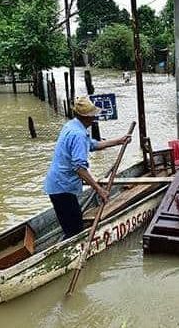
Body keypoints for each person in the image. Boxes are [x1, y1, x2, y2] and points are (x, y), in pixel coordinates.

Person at [44, 96, 131, 239]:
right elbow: (79, 168)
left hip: (57, 184)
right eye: (93, 115)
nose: (94, 118)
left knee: (71, 225)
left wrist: (119, 141)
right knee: (74, 232)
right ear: (86, 117)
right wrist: (99, 189)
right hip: (63, 187)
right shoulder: (78, 134)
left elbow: (92, 144)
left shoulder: (72, 125)